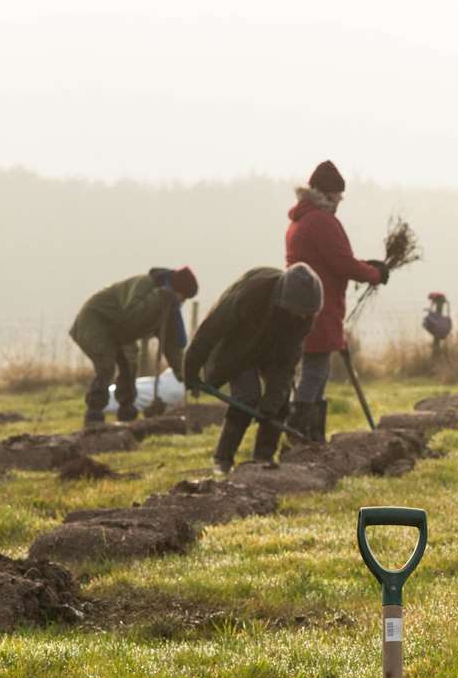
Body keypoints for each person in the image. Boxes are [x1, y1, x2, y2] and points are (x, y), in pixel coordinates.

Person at [184, 264, 324, 476]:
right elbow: (211, 329)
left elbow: (286, 365)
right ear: (286, 301)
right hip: (237, 348)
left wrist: (271, 403)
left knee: (278, 402)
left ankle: (263, 459)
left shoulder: (304, 315)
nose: (303, 318)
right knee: (246, 398)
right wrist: (191, 368)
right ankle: (222, 460)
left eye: (307, 314)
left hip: (273, 352)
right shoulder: (252, 292)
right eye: (300, 312)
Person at [284, 160, 389, 443]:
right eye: (338, 194)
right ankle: (298, 432)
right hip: (320, 307)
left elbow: (330, 259)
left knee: (317, 369)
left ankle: (312, 436)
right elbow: (342, 264)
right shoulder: (322, 221)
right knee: (316, 371)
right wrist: (375, 274)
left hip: (306, 308)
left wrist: (367, 265)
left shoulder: (300, 221)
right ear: (328, 193)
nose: (341, 199)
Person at [69, 267, 198, 426]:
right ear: (176, 289)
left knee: (130, 365)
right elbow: (132, 315)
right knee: (106, 364)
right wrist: (158, 298)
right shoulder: (144, 285)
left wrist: (186, 377)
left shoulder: (168, 305)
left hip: (120, 331)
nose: (182, 302)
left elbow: (172, 346)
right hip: (95, 321)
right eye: (183, 297)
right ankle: (94, 413)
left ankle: (127, 411)